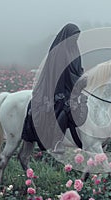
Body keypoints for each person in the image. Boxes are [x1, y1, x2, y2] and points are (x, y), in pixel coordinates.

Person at [22, 23, 88, 151]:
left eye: (77, 37)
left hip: (71, 87)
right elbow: (56, 73)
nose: (76, 39)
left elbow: (76, 70)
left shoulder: (74, 50)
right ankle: (57, 142)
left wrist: (82, 77)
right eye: (74, 36)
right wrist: (63, 90)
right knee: (65, 108)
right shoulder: (59, 51)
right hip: (56, 88)